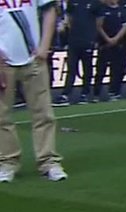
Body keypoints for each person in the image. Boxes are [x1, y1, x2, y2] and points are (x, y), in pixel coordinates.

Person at [0, 0, 68, 183]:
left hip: (34, 57)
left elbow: (49, 11)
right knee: (1, 116)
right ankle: (7, 162)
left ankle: (49, 161)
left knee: (43, 113)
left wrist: (45, 46)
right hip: (2, 60)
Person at [53, 0, 102, 106]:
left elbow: (99, 22)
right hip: (74, 40)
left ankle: (85, 93)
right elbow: (69, 19)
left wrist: (92, 36)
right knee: (71, 68)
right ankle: (66, 94)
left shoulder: (95, 3)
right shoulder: (72, 2)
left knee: (87, 68)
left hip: (88, 40)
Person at [93, 0, 126, 102]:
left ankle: (114, 92)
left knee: (117, 69)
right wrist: (107, 39)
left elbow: (125, 26)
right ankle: (96, 93)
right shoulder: (102, 9)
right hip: (104, 44)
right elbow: (99, 26)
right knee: (100, 69)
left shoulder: (122, 10)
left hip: (118, 44)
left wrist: (116, 39)